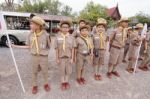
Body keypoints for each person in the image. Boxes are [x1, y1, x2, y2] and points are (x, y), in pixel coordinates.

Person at [11, 16, 51, 94]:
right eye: (31, 24)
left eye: (32, 24)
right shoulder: (30, 35)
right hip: (34, 57)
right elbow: (28, 46)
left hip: (43, 57)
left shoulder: (46, 35)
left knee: (45, 71)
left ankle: (46, 84)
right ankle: (34, 85)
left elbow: (49, 46)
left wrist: (43, 51)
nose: (30, 25)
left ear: (38, 25)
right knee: (34, 72)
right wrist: (15, 46)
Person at [54, 20, 76, 90]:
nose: (65, 29)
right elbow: (56, 49)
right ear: (60, 28)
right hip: (61, 58)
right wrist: (57, 58)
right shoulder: (57, 37)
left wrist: (72, 58)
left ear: (69, 28)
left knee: (68, 71)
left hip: (69, 58)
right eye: (63, 27)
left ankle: (66, 81)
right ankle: (63, 82)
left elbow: (73, 49)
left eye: (66, 27)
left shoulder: (72, 37)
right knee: (62, 71)